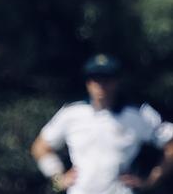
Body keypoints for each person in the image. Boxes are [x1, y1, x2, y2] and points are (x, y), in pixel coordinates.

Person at [31, 54, 173, 193]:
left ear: (117, 80)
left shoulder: (139, 114)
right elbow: (40, 147)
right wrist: (58, 180)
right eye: (95, 78)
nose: (101, 84)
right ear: (88, 82)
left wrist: (151, 181)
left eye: (107, 78)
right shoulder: (71, 112)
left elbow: (170, 146)